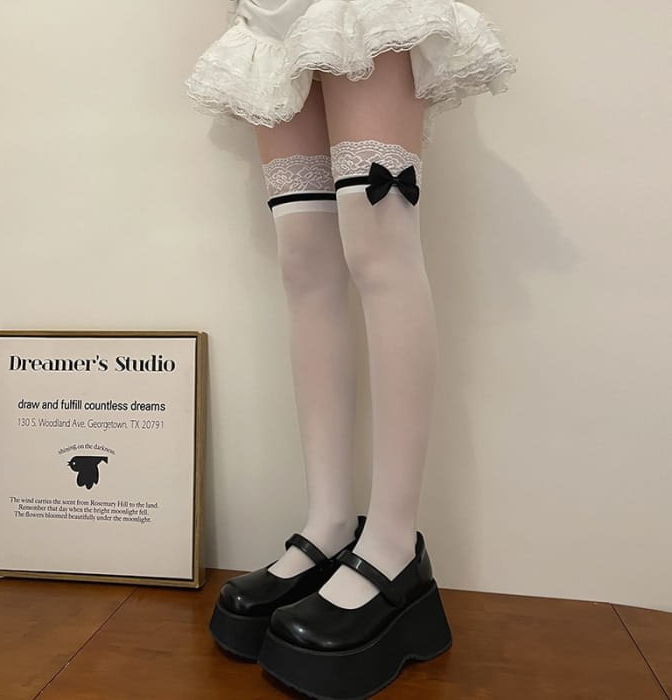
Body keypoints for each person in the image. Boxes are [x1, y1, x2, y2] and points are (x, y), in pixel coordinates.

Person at [185, 2, 517, 697]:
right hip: (269, 13)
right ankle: (331, 523)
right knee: (304, 259)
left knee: (379, 243)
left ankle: (393, 544)